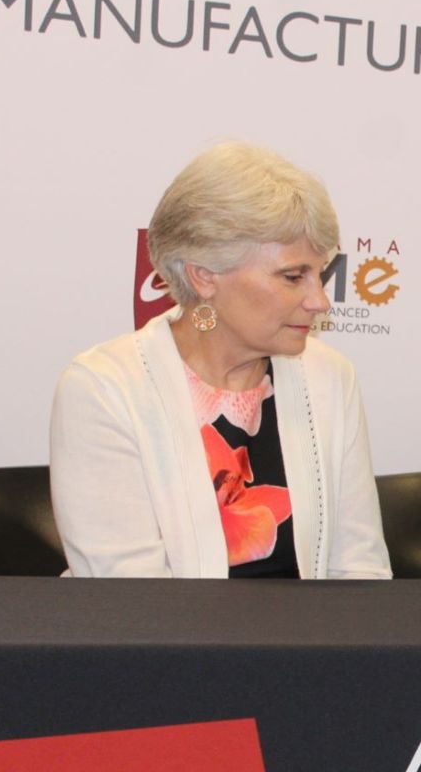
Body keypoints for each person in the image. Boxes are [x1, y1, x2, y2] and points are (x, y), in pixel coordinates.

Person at [50, 143, 390, 579]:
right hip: (160, 625)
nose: (320, 301)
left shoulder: (330, 377)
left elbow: (360, 569)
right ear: (205, 276)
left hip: (313, 627)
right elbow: (130, 597)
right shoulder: (104, 389)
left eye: (320, 274)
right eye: (293, 277)